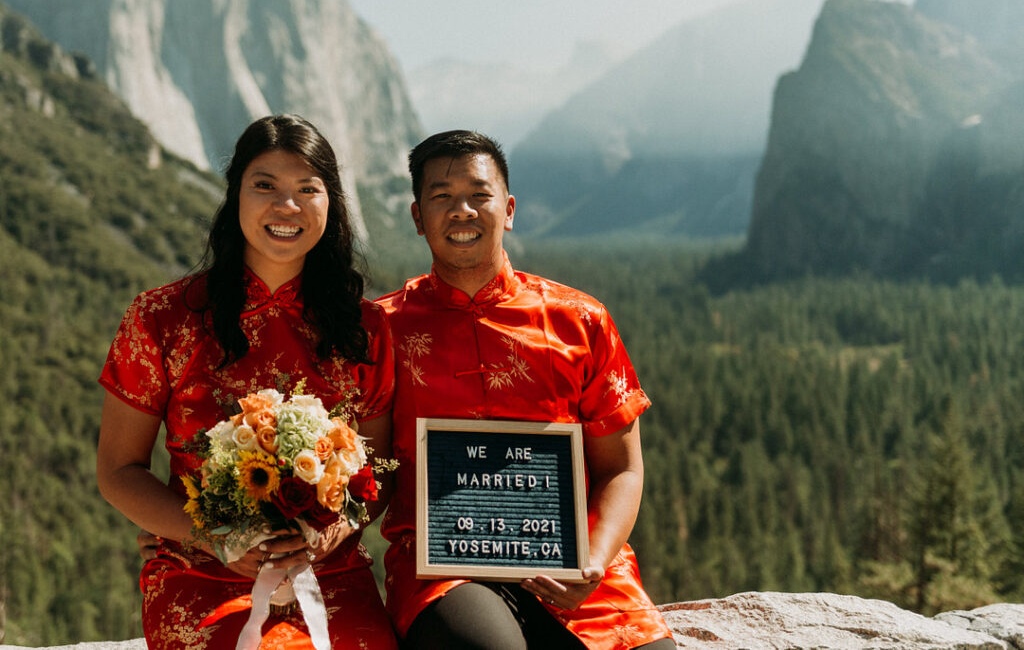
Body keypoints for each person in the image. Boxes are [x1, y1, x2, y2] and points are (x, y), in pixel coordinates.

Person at [96, 114, 398, 650]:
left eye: (308, 189)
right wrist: (212, 537)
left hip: (328, 572)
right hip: (201, 570)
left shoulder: (366, 329)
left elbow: (376, 472)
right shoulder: (163, 318)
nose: (287, 206)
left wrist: (325, 535)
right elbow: (119, 470)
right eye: (266, 186)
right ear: (234, 195)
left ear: (332, 203)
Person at [377, 130, 674, 650]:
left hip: (575, 564)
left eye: (479, 194)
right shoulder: (383, 328)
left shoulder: (580, 320)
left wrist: (594, 560)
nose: (462, 211)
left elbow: (621, 467)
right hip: (442, 569)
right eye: (441, 197)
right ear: (417, 217)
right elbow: (369, 471)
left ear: (509, 209)